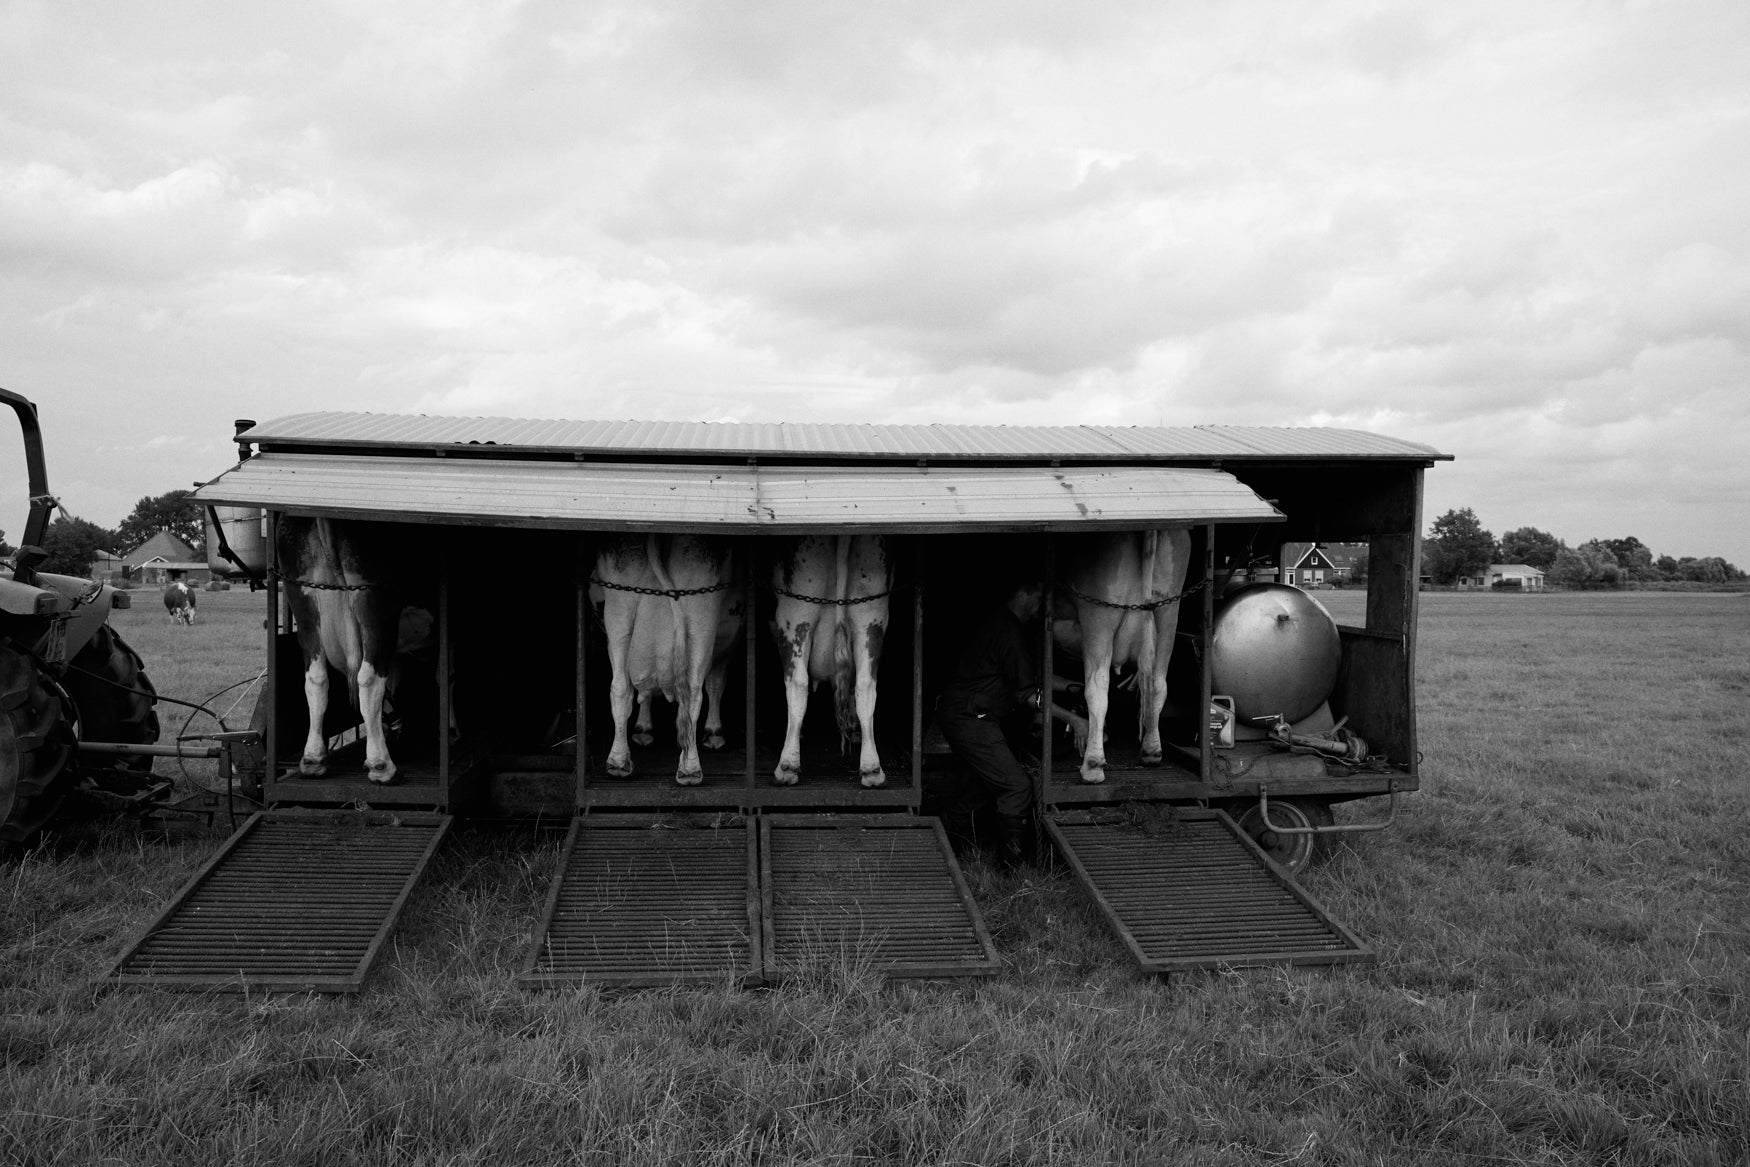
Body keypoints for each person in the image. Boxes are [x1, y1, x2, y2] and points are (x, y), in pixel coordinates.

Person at [935, 579, 1088, 867]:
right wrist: (1074, 719)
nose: (1041, 607)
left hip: (966, 714)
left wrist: (1075, 686)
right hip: (971, 718)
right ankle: (1012, 870)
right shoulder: (1008, 632)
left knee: (979, 787)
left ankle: (947, 852)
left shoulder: (1003, 626)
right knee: (1016, 787)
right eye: (1039, 598)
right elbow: (1029, 694)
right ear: (1022, 593)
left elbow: (1027, 679)